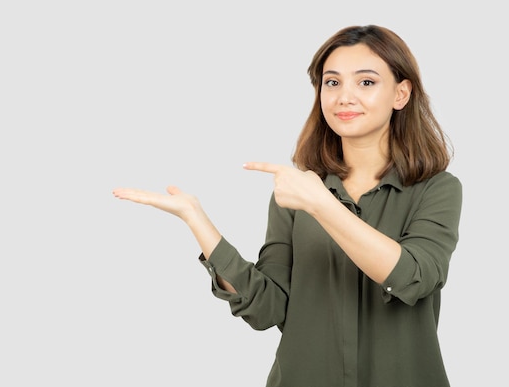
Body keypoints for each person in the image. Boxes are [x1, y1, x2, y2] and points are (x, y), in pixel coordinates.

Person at [112, 25, 462, 387]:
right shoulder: (296, 195)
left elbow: (414, 277)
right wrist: (198, 222)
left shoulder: (436, 189)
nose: (345, 97)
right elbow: (268, 309)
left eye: (367, 83)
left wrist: (321, 206)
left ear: (401, 94)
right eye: (332, 82)